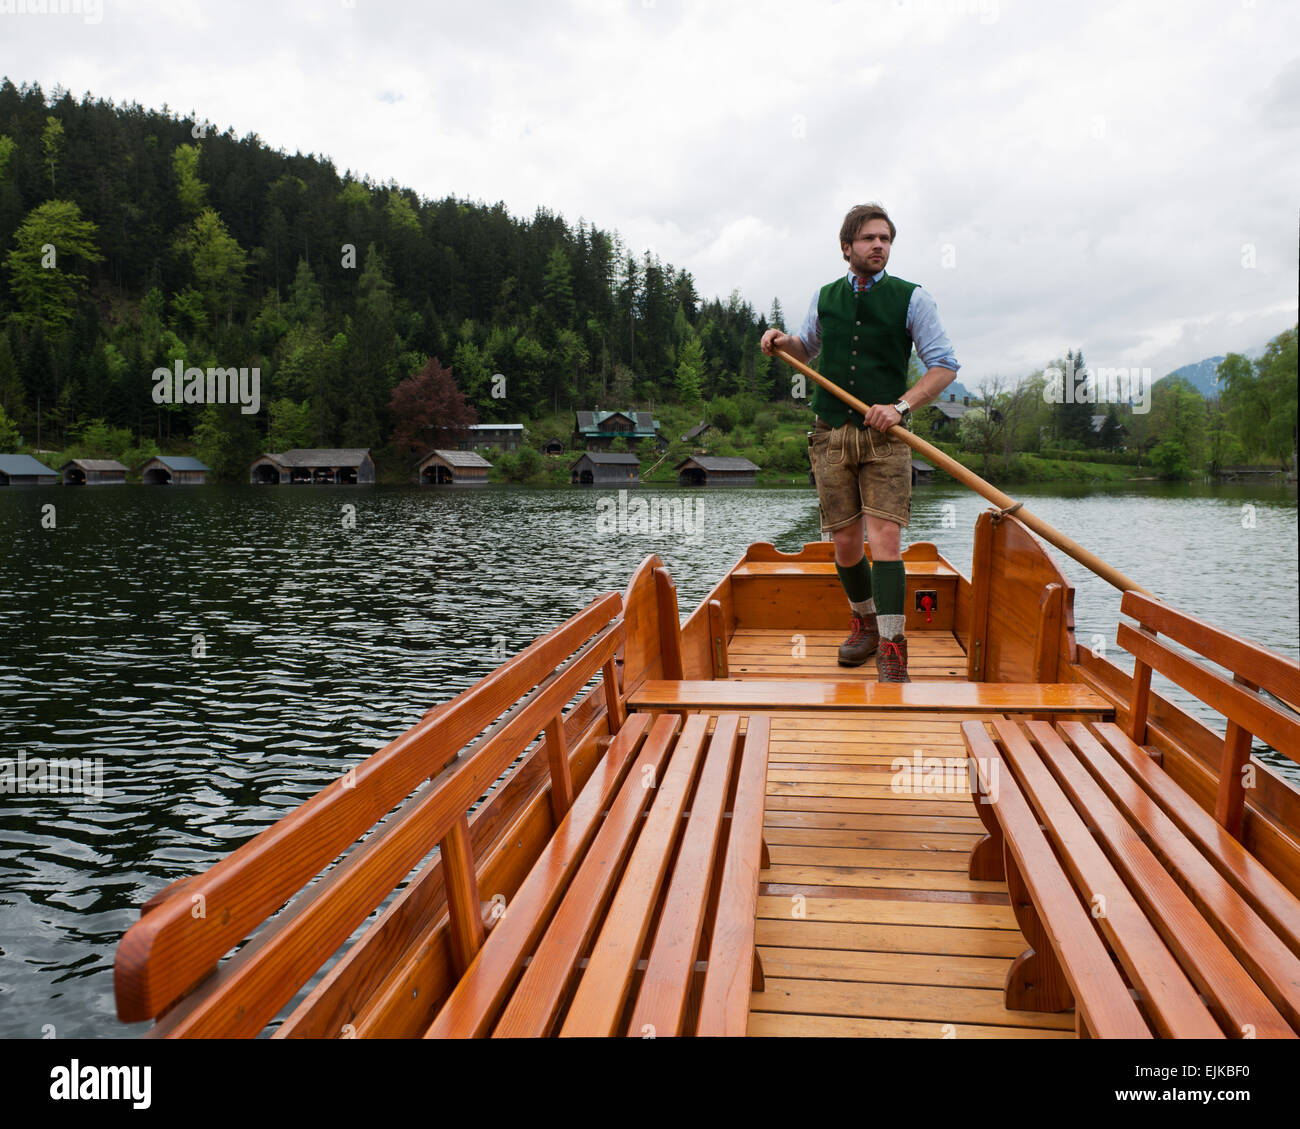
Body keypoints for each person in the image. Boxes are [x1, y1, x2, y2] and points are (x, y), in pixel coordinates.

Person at [760, 203, 960, 682]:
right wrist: (779, 340)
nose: (879, 246)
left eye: (886, 239)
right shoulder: (826, 296)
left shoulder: (914, 299)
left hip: (885, 436)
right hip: (830, 434)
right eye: (869, 239)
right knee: (846, 544)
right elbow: (805, 348)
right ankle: (865, 623)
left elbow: (944, 365)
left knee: (885, 539)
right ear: (846, 246)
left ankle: (893, 647)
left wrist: (901, 407)